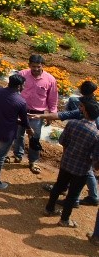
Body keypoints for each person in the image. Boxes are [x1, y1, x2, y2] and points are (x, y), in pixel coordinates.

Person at [44, 98, 99, 229]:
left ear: (85, 112)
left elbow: (62, 140)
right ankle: (64, 219)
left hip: (66, 162)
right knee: (73, 194)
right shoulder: (96, 134)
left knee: (58, 186)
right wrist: (95, 167)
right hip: (81, 169)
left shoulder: (72, 124)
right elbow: (95, 157)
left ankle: (49, 209)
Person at [13, 54, 59, 172]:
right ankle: (18, 155)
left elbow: (53, 99)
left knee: (34, 138)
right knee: (18, 135)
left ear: (42, 65)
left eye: (38, 66)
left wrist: (51, 115)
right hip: (20, 111)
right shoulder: (22, 75)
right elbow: (14, 91)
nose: (36, 69)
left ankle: (33, 161)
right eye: (33, 66)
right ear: (29, 65)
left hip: (37, 115)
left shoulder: (50, 80)